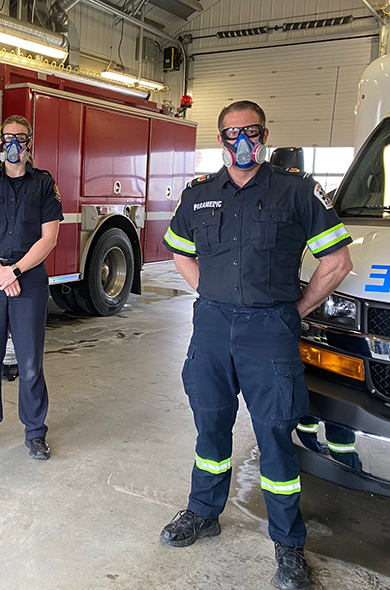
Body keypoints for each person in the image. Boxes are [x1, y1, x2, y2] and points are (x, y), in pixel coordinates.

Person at [161, 100, 353, 590]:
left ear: (265, 133)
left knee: (274, 436)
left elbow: (338, 262)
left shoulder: (296, 190)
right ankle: (204, 513)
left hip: (270, 329)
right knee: (210, 426)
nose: (241, 142)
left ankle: (288, 546)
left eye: (251, 131)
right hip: (212, 328)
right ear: (221, 139)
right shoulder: (200, 193)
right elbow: (179, 250)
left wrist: (297, 309)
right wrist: (210, 292)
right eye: (230, 133)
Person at [0, 114, 63, 460]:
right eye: (7, 138)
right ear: (0, 144)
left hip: (29, 280)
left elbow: (49, 238)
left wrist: (16, 271)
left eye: (20, 138)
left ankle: (35, 431)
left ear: (30, 144)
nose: (13, 145)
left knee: (30, 360)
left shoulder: (44, 184)